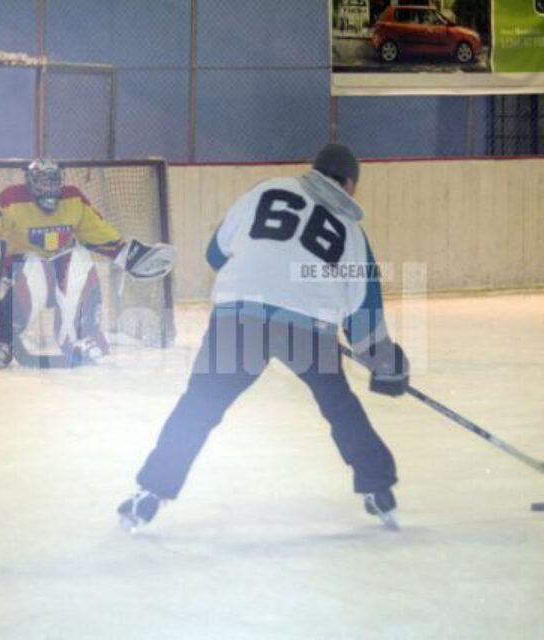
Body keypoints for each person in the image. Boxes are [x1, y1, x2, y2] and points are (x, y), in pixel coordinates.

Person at [118, 143, 409, 531]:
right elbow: (362, 305)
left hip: (240, 317)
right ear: (350, 185)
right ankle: (378, 488)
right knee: (339, 404)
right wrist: (381, 357)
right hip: (307, 327)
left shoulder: (267, 190)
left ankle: (150, 494)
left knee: (200, 404)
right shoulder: (352, 232)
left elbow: (216, 253)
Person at [0, 158, 175, 368]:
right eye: (42, 181)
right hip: (22, 268)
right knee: (34, 267)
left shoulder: (73, 199)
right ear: (30, 181)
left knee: (79, 258)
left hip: (60, 270)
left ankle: (79, 335)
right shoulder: (12, 198)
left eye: (53, 181)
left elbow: (96, 231)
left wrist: (127, 254)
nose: (49, 187)